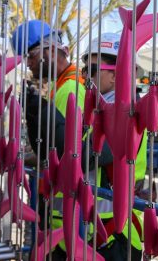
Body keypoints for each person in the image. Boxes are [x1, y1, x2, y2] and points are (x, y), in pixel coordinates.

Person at [11, 19, 85, 260]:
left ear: (51, 50)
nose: (29, 63)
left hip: (65, 215)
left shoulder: (70, 89)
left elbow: (60, 151)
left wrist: (23, 157)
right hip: (60, 212)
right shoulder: (60, 86)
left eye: (31, 56)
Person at [81, 32, 147, 261]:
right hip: (102, 225)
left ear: (115, 74)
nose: (84, 77)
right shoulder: (102, 106)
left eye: (90, 70)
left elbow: (90, 156)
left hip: (115, 230)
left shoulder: (125, 112)